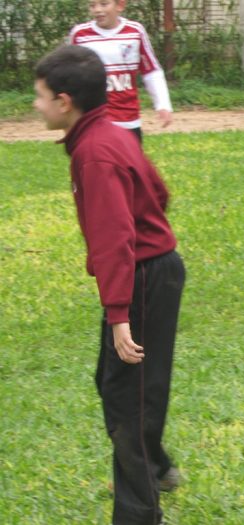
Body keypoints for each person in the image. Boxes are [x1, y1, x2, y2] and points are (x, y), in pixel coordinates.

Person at [34, 44, 185, 525]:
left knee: (128, 403)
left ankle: (138, 514)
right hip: (152, 272)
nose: (35, 105)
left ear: (64, 102)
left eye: (39, 97)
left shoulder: (95, 153)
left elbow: (114, 240)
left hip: (142, 277)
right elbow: (158, 192)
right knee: (116, 384)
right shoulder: (112, 134)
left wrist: (120, 315)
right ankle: (158, 467)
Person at [68, 0, 173, 142]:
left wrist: (163, 104)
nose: (97, 9)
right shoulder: (80, 35)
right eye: (92, 5)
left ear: (120, 5)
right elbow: (69, 73)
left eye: (104, 4)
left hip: (128, 120)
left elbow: (151, 71)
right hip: (93, 120)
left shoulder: (135, 31)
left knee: (130, 157)